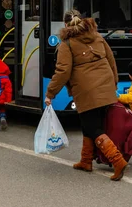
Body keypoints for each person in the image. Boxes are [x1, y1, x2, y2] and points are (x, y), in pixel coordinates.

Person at [44, 10, 127, 181]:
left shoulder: (66, 44)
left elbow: (62, 72)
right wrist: (114, 82)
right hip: (106, 85)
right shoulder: (97, 36)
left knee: (92, 127)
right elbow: (111, 60)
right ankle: (86, 161)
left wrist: (50, 93)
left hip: (87, 91)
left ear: (65, 24)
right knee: (90, 125)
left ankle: (118, 160)